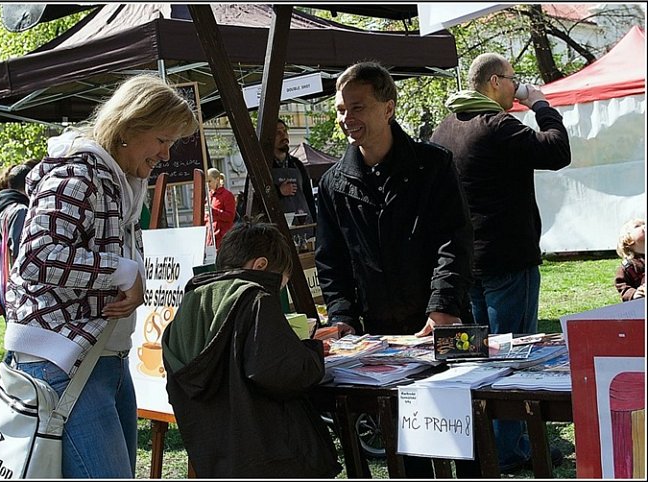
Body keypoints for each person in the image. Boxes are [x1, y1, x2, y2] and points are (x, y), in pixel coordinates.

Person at [3, 74, 198, 478]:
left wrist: (130, 273)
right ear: (129, 127)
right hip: (63, 361)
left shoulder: (117, 178)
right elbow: (36, 257)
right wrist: (124, 271)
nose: (166, 153)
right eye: (163, 139)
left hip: (99, 357)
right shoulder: (79, 173)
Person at [314, 62, 474, 477]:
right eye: (340, 110)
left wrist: (442, 307)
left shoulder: (434, 164)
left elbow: (454, 242)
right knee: (409, 454)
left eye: (357, 107)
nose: (346, 119)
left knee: (466, 444)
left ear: (388, 107)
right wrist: (344, 319)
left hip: (448, 322)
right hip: (382, 335)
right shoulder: (333, 183)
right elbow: (331, 261)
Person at [430, 52, 571, 473]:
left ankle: (485, 444)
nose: (517, 86)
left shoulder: (445, 127)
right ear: (494, 82)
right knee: (511, 359)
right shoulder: (497, 124)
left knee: (476, 360)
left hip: (464, 263)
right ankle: (508, 451)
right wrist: (541, 104)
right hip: (507, 259)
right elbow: (557, 150)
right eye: (513, 79)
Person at [161, 221, 341, 478]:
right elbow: (280, 371)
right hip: (271, 456)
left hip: (214, 456)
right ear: (261, 266)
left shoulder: (191, 301)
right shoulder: (256, 298)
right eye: (280, 285)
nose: (277, 291)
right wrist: (311, 352)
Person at [0, 159, 39, 415]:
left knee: (18, 341)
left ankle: (2, 393)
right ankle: (0, 391)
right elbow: (24, 254)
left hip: (3, 288)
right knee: (21, 344)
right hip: (20, 290)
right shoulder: (19, 211)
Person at [273, 118, 317, 223]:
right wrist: (278, 191)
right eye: (278, 133)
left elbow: (308, 197)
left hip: (303, 226)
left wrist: (316, 224)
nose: (284, 136)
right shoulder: (262, 167)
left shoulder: (297, 164)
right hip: (276, 231)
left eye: (285, 131)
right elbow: (256, 198)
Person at [204, 167, 236, 250]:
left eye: (209, 181)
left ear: (217, 179)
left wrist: (214, 212)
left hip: (223, 238)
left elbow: (230, 216)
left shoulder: (227, 195)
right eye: (206, 182)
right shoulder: (209, 196)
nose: (208, 184)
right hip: (210, 237)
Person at [615, 218, 645, 302]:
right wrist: (634, 294)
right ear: (628, 241)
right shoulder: (628, 266)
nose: (644, 226)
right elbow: (622, 286)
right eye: (637, 226)